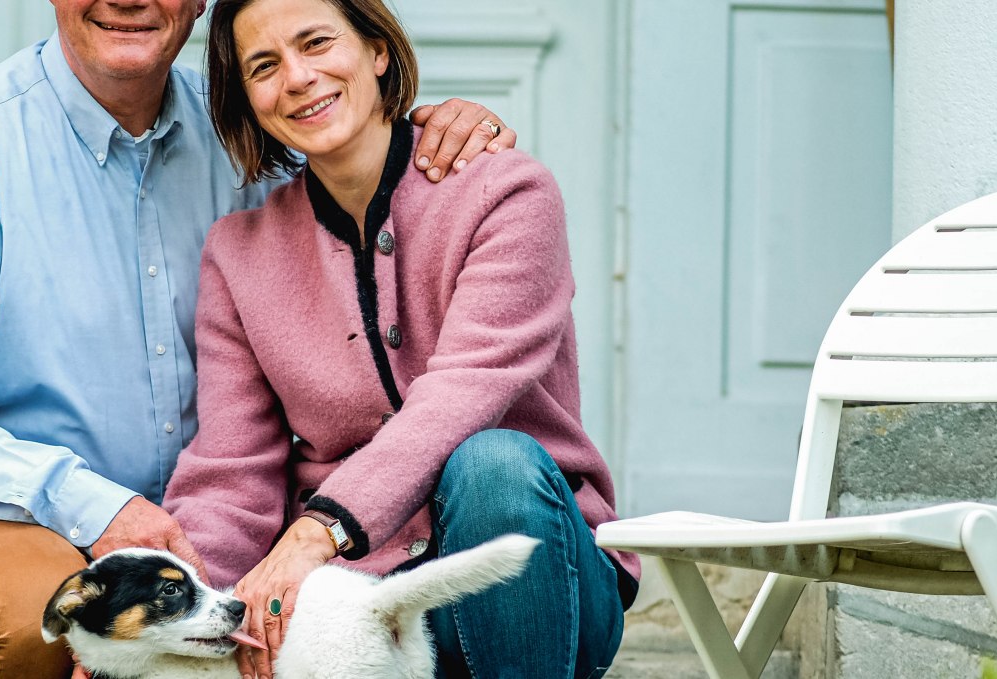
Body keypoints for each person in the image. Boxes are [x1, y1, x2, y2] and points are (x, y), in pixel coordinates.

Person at [0, 0, 518, 676]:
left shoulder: (253, 127)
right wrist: (100, 508)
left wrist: (438, 130)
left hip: (206, 523)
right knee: (31, 625)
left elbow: (357, 151)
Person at [159, 0, 640, 677]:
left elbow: (460, 394)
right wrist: (168, 614)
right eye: (264, 65)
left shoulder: (506, 193)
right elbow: (233, 473)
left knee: (493, 461)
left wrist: (316, 531)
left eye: (316, 42)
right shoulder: (238, 256)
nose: (296, 77)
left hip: (538, 586)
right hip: (365, 606)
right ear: (248, 98)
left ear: (377, 50)